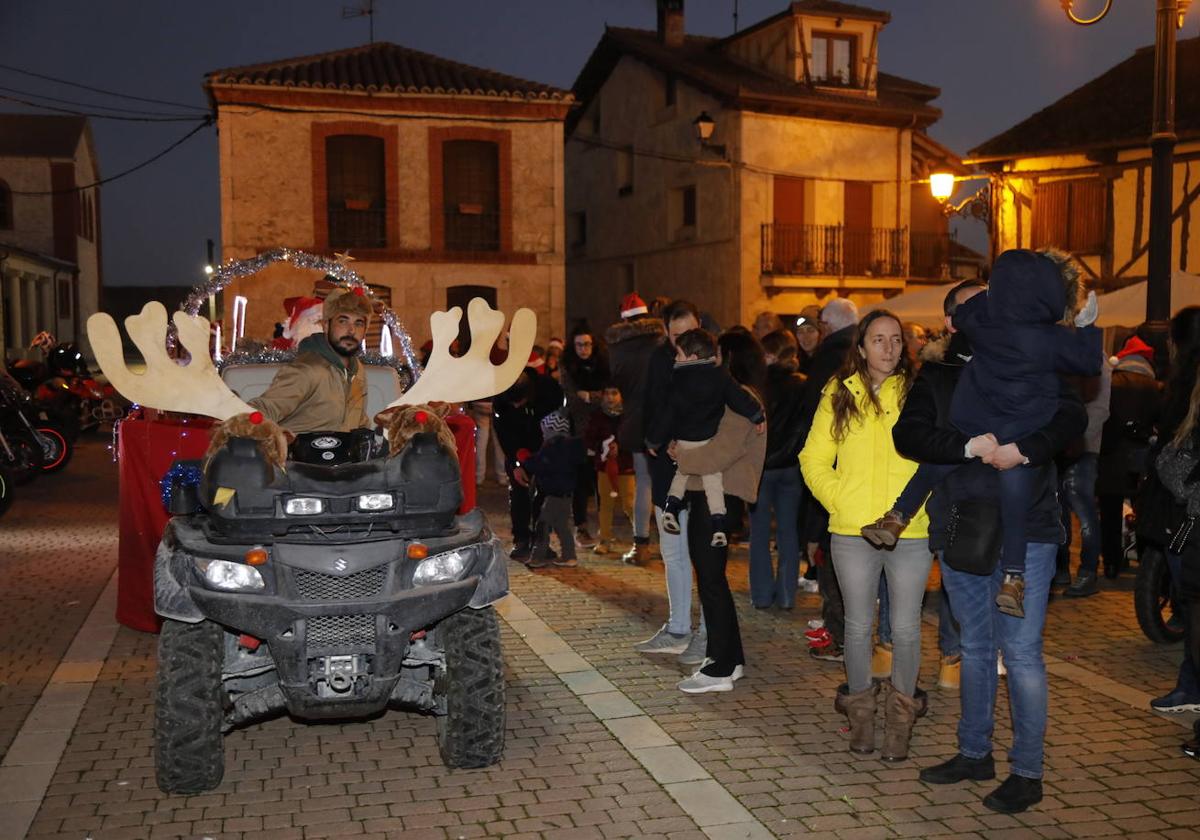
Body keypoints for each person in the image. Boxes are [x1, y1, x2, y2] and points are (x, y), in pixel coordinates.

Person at [894, 281, 1087, 815]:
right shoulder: (938, 373)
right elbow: (908, 436)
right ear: (955, 321)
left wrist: (1025, 450)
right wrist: (966, 446)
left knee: (1021, 653)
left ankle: (1027, 771)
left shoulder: (1035, 360)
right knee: (975, 648)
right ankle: (974, 752)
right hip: (963, 526)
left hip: (1032, 526)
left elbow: (1071, 419)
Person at [861, 249, 1102, 618]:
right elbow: (1086, 363)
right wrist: (1087, 326)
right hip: (1017, 430)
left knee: (933, 470)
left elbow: (965, 314)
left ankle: (896, 515)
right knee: (1015, 496)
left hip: (977, 418)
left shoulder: (985, 323)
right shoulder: (1045, 338)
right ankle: (1014, 578)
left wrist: (990, 299)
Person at [800, 308, 928, 761]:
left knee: (907, 628)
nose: (889, 348)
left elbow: (933, 456)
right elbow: (812, 459)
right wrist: (842, 502)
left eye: (896, 339)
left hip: (910, 529)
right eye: (878, 339)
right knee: (857, 627)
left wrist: (913, 509)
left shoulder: (918, 390)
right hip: (852, 530)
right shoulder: (839, 392)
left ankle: (899, 723)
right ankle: (861, 719)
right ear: (860, 347)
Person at [634, 300, 707, 661]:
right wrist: (653, 440)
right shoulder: (659, 359)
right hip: (666, 468)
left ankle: (708, 633)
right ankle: (679, 626)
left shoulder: (711, 358)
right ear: (665, 332)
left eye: (690, 333)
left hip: (702, 471)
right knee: (673, 551)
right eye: (677, 336)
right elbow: (652, 405)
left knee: (704, 554)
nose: (684, 343)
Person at [647, 329, 765, 547]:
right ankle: (718, 524)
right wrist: (757, 414)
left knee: (680, 476)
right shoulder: (720, 376)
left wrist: (653, 440)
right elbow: (738, 398)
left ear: (691, 358)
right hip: (707, 440)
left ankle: (670, 509)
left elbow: (666, 414)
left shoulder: (676, 380)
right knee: (713, 482)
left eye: (679, 354)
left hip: (684, 441)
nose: (675, 358)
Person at [1140, 307, 1200, 714]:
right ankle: (1189, 686)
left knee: (1194, 606)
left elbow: (1175, 457)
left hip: (1187, 516)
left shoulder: (1187, 384)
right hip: (1183, 515)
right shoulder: (1184, 385)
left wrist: (1166, 461)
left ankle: (1190, 688)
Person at [801, 297, 859, 661]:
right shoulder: (852, 353)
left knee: (831, 554)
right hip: (848, 472)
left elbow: (815, 423)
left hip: (838, 474)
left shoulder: (830, 358)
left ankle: (839, 636)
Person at [249, 288, 372, 433]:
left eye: (358, 323)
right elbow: (264, 409)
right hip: (301, 454)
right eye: (343, 321)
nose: (351, 330)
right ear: (326, 325)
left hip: (344, 454)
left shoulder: (357, 370)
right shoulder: (307, 369)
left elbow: (358, 419)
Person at [606, 292, 667, 565]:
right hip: (664, 421)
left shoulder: (617, 349)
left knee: (643, 483)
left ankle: (640, 544)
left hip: (635, 421)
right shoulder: (661, 343)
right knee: (667, 484)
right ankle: (670, 545)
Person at [749, 329, 807, 610]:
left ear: (770, 354)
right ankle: (786, 594)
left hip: (761, 466)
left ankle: (760, 594)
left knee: (759, 533)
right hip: (791, 466)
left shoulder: (758, 384)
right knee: (788, 532)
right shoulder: (803, 385)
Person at [1097, 334, 1162, 580]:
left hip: (1112, 456)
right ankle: (1145, 563)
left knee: (1110, 514)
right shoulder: (1155, 387)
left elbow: (1105, 417)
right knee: (1144, 511)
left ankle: (1112, 563)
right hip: (1143, 457)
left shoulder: (1113, 382)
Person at [494, 362, 564, 560]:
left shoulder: (549, 391)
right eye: (512, 404)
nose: (516, 407)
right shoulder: (501, 397)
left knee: (544, 495)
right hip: (517, 447)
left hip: (544, 446)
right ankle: (521, 539)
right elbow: (503, 432)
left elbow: (558, 425)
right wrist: (516, 462)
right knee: (519, 493)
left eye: (520, 403)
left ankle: (542, 540)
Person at [1057, 361, 1110, 596]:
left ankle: (1088, 570)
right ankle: (1060, 566)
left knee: (1084, 511)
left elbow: (1100, 409)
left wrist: (1075, 435)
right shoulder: (1065, 350)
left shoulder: (1097, 359)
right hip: (1059, 445)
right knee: (1058, 509)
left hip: (1084, 446)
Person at [560, 323, 610, 548]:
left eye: (587, 344)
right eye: (579, 345)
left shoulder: (603, 365)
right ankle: (581, 526)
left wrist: (590, 396)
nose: (584, 349)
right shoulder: (568, 368)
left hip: (603, 431)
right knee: (580, 482)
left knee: (602, 481)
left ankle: (605, 527)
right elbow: (572, 400)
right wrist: (592, 399)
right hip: (578, 432)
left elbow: (611, 397)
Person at [519, 410, 586, 569]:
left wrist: (525, 459)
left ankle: (538, 557)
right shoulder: (566, 448)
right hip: (564, 494)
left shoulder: (554, 449)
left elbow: (541, 465)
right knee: (561, 526)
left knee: (543, 524)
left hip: (555, 495)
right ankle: (569, 556)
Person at [583, 385, 635, 555]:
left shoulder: (628, 415)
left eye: (614, 393)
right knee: (605, 504)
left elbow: (635, 437)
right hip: (604, 466)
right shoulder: (597, 416)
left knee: (629, 504)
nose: (610, 397)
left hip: (625, 465)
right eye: (607, 393)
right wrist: (603, 447)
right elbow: (589, 439)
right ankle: (605, 539)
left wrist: (622, 446)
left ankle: (641, 538)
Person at [794, 305, 822, 375]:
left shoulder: (829, 361)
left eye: (810, 331)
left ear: (820, 334)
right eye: (800, 332)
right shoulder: (793, 364)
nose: (805, 336)